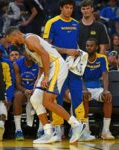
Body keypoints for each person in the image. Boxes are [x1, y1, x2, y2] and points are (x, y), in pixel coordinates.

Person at [5, 26, 86, 144]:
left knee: (47, 101)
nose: (12, 43)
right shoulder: (26, 45)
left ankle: (76, 125)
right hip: (49, 68)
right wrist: (38, 80)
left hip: (56, 65)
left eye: (11, 40)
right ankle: (49, 133)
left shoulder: (29, 39)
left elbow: (45, 56)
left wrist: (46, 77)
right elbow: (41, 62)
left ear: (15, 35)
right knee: (35, 99)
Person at [43, 0, 86, 141]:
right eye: (66, 7)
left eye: (71, 8)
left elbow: (77, 44)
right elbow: (46, 47)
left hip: (73, 66)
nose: (69, 10)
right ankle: (57, 130)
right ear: (61, 8)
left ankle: (82, 129)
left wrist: (78, 53)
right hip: (57, 65)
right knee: (57, 96)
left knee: (77, 95)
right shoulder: (52, 23)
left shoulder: (76, 24)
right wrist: (66, 50)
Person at [83, 38, 114, 140]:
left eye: (91, 46)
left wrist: (105, 90)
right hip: (85, 87)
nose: (89, 48)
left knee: (108, 97)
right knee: (84, 96)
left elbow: (105, 74)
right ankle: (86, 130)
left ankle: (106, 131)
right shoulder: (82, 57)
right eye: (87, 46)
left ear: (96, 47)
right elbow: (79, 76)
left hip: (97, 88)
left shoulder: (102, 58)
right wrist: (84, 89)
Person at [13, 51, 39, 140]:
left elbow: (39, 81)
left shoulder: (39, 64)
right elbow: (17, 84)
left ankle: (41, 129)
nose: (30, 54)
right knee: (18, 95)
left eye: (32, 52)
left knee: (44, 95)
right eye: (28, 52)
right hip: (22, 90)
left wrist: (35, 90)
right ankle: (18, 130)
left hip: (36, 90)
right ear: (24, 53)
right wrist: (25, 90)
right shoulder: (17, 64)